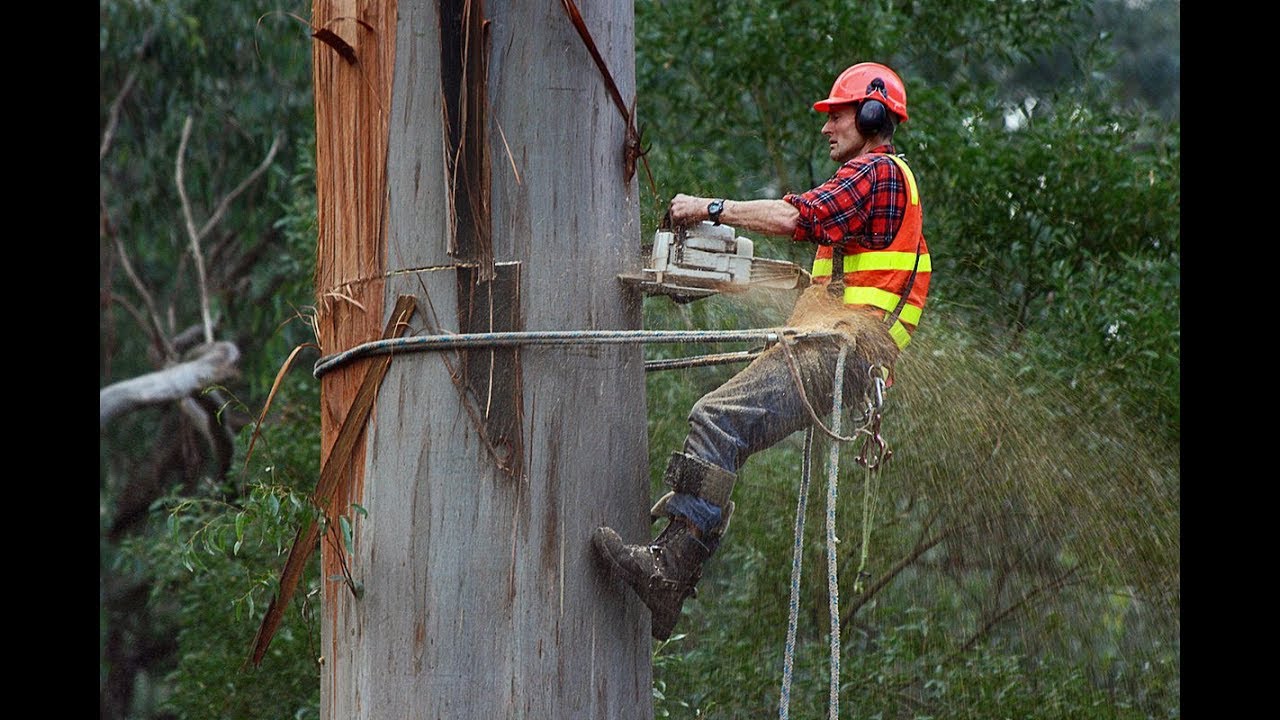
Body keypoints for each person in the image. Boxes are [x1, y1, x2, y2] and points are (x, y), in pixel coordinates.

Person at [593, 62, 932, 640]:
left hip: (841, 352)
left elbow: (795, 216)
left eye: (838, 114)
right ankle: (674, 569)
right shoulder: (881, 191)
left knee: (717, 421)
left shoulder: (877, 174)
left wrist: (709, 208)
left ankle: (669, 570)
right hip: (841, 352)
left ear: (873, 115)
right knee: (728, 432)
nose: (826, 128)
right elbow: (827, 277)